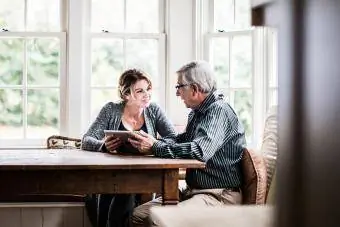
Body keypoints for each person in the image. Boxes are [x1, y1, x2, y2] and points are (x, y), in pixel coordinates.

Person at [128, 61, 246, 226]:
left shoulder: (218, 111)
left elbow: (199, 151)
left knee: (159, 220)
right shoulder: (196, 113)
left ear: (195, 89)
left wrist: (155, 147)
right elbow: (182, 140)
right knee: (137, 215)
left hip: (218, 195)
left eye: (179, 87)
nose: (177, 93)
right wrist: (152, 142)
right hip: (194, 192)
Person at [81, 69, 177, 227]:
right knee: (114, 193)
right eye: (140, 91)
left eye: (148, 89)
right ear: (126, 94)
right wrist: (103, 146)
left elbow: (173, 139)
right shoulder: (111, 110)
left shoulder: (154, 111)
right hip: (110, 173)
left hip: (143, 174)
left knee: (125, 191)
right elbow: (86, 140)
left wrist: (153, 145)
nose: (147, 94)